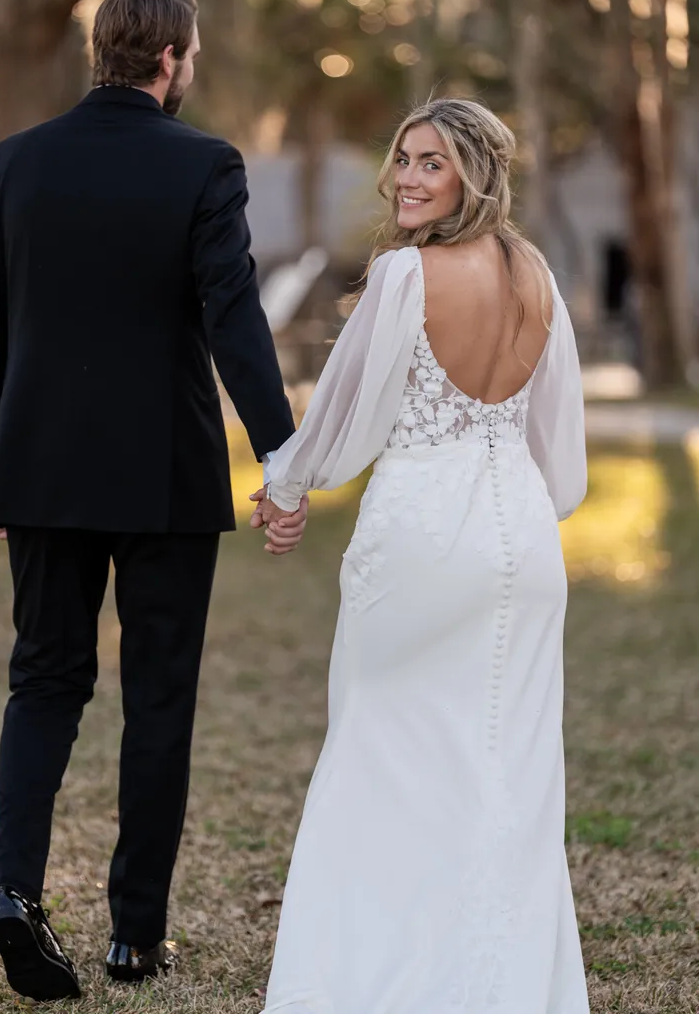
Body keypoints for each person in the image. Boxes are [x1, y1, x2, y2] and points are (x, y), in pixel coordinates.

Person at [0, 0, 306, 1003]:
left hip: (39, 470)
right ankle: (133, 939)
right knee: (156, 697)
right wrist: (280, 458)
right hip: (163, 473)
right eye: (190, 56)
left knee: (44, 679)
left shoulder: (14, 163)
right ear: (169, 60)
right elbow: (234, 320)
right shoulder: (204, 163)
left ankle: (14, 896)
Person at [253, 98, 590, 1013]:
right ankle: (498, 982)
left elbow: (342, 419)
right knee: (504, 767)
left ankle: (371, 981)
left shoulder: (407, 275)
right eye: (403, 159)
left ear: (473, 174)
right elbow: (563, 462)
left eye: (430, 163)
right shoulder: (539, 279)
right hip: (521, 538)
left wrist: (286, 487)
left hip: (422, 528)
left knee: (380, 750)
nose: (406, 178)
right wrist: (520, 508)